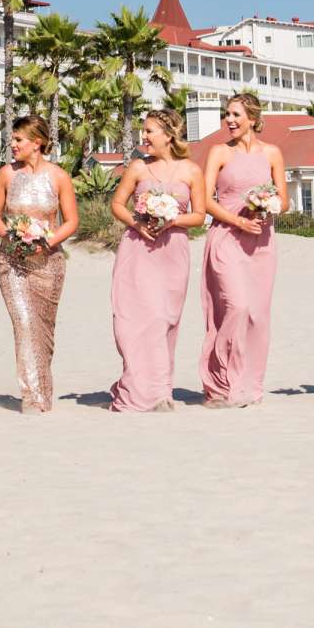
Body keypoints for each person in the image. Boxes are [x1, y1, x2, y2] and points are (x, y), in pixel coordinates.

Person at [107, 108, 207, 412]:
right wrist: (137, 223)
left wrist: (171, 220)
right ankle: (138, 387)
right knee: (135, 321)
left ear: (169, 134)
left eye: (149, 131)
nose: (144, 136)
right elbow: (117, 204)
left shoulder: (191, 171)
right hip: (137, 248)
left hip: (172, 252)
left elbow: (199, 216)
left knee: (163, 320)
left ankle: (161, 392)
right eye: (143, 130)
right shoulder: (138, 167)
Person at [0, 114, 79, 414]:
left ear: (37, 142)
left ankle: (42, 391)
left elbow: (72, 221)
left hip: (49, 262)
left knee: (44, 331)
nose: (12, 144)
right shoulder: (6, 174)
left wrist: (44, 242)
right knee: (24, 325)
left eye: (18, 140)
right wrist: (11, 238)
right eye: (12, 140)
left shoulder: (59, 176)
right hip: (12, 261)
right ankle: (31, 397)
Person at [201, 93, 286, 407]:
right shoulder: (218, 152)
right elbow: (206, 200)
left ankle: (249, 384)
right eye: (227, 114)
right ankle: (221, 383)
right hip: (226, 237)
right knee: (235, 307)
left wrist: (267, 209)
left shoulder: (273, 153)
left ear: (253, 117)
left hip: (262, 243)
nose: (229, 120)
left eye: (235, 114)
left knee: (257, 316)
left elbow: (284, 199)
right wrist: (238, 221)